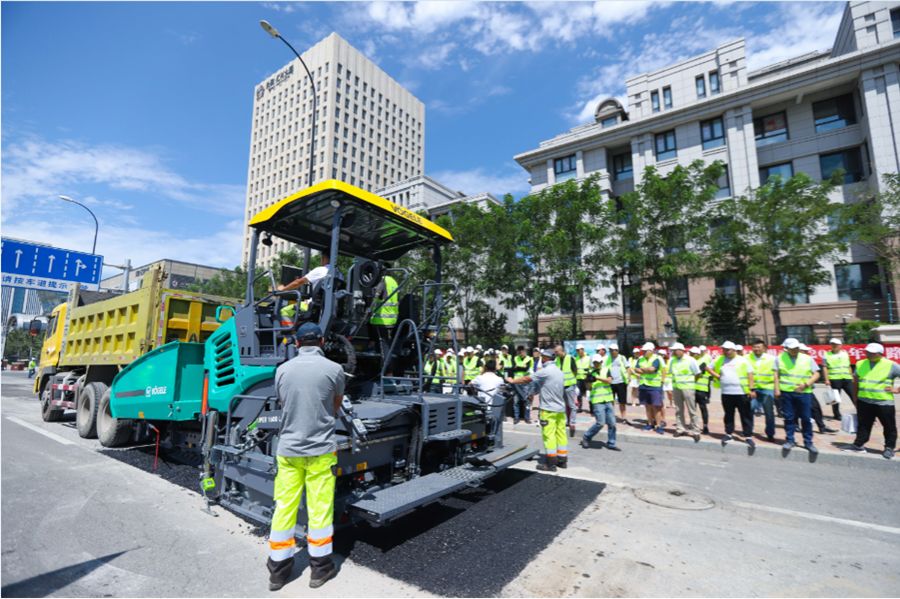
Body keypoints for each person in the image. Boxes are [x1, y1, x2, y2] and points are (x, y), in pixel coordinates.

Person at [267, 323, 345, 590]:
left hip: (289, 450)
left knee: (285, 507)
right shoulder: (335, 370)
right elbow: (335, 405)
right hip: (321, 450)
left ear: (297, 343)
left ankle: (278, 571)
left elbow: (283, 401)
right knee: (320, 510)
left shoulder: (282, 370)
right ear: (322, 341)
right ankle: (320, 569)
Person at [506, 348, 567, 471]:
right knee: (561, 434)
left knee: (549, 436)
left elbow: (526, 379)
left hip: (548, 410)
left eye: (541, 357)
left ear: (545, 358)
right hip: (560, 409)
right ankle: (562, 460)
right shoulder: (559, 372)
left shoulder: (545, 371)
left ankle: (551, 464)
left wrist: (512, 380)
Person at [846, 343, 898, 459]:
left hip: (884, 402)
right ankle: (859, 444)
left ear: (880, 354)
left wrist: (896, 389)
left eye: (872, 353)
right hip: (864, 401)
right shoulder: (860, 363)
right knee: (863, 425)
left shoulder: (891, 365)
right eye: (867, 352)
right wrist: (855, 398)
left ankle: (889, 447)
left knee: (889, 426)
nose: (869, 354)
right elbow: (855, 382)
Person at [775, 337, 821, 454]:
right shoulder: (779, 359)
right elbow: (776, 375)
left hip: (804, 393)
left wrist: (806, 384)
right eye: (792, 348)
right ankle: (790, 440)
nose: (795, 350)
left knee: (806, 418)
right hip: (787, 393)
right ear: (786, 349)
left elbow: (816, 374)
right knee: (789, 418)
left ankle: (808, 442)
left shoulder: (807, 358)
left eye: (796, 348)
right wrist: (776, 390)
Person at [708, 341, 756, 449]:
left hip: (742, 392)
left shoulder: (743, 360)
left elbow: (750, 375)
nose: (725, 352)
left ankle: (748, 436)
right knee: (728, 414)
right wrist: (717, 376)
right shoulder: (720, 359)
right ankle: (728, 434)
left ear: (734, 350)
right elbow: (708, 367)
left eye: (727, 350)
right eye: (724, 350)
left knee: (745, 415)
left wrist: (752, 389)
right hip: (726, 392)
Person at [581, 355, 620, 451]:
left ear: (601, 362)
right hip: (597, 401)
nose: (596, 364)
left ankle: (611, 443)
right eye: (594, 362)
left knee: (612, 423)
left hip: (607, 399)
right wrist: (588, 381)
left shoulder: (606, 370)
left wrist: (597, 378)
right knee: (600, 423)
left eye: (598, 362)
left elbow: (609, 381)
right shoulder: (590, 373)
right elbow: (588, 388)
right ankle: (586, 437)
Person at [668, 342, 702, 441]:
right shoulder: (672, 360)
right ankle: (680, 429)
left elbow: (697, 373)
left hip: (688, 387)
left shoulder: (690, 360)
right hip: (676, 387)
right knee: (678, 409)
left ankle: (696, 430)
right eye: (673, 350)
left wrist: (691, 382)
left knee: (692, 410)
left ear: (682, 350)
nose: (673, 352)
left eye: (675, 350)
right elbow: (671, 373)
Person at [747, 339, 777, 442]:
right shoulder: (746, 358)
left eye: (759, 347)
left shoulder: (772, 359)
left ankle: (770, 433)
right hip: (752, 388)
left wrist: (776, 388)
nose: (756, 349)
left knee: (769, 412)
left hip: (767, 388)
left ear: (764, 348)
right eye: (754, 347)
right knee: (749, 410)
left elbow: (776, 374)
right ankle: (748, 431)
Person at [635, 342, 666, 434]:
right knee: (647, 406)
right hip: (643, 385)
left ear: (651, 351)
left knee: (656, 407)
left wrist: (643, 369)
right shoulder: (640, 359)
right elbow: (636, 369)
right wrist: (647, 369)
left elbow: (653, 369)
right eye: (643, 350)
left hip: (654, 386)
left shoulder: (657, 358)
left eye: (645, 351)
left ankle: (658, 425)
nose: (643, 352)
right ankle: (650, 423)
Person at [555, 345, 580, 437]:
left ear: (561, 351)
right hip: (561, 386)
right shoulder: (557, 359)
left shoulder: (570, 358)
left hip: (569, 385)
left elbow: (575, 370)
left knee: (572, 405)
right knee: (563, 405)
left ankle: (572, 422)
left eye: (557, 352)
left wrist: (573, 382)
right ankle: (566, 421)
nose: (556, 354)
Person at [822, 338, 849, 420]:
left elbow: (848, 366)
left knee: (854, 396)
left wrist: (851, 376)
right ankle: (836, 414)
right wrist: (826, 379)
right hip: (835, 378)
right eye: (832, 344)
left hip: (847, 378)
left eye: (836, 344)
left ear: (840, 345)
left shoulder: (845, 353)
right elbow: (824, 367)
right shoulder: (826, 354)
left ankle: (862, 413)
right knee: (836, 398)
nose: (834, 346)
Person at [607, 344, 631, 424]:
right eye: (610, 350)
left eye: (612, 350)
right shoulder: (608, 358)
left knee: (622, 402)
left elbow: (628, 368)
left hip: (621, 382)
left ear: (616, 350)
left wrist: (629, 377)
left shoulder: (622, 358)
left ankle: (623, 418)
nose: (611, 352)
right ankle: (611, 417)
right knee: (611, 401)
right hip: (611, 383)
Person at [691, 346, 712, 434]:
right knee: (692, 409)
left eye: (692, 353)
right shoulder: (690, 362)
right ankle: (694, 425)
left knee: (703, 408)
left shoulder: (703, 362)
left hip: (701, 389)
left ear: (698, 354)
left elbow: (698, 374)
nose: (691, 355)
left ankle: (705, 426)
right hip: (692, 388)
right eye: (690, 353)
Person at [511, 345, 534, 424]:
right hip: (517, 382)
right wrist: (520, 367)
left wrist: (518, 367)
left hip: (525, 382)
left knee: (526, 401)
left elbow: (526, 369)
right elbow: (513, 368)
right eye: (519, 350)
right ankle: (516, 418)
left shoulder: (529, 359)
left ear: (525, 351)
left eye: (522, 350)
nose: (521, 352)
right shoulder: (515, 358)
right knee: (516, 401)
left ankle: (527, 418)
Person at [575, 344, 591, 413]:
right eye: (577, 350)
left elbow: (591, 368)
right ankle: (579, 407)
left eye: (579, 350)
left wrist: (588, 373)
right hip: (578, 378)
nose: (578, 351)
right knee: (579, 394)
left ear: (583, 350)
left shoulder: (588, 358)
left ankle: (592, 408)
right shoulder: (576, 358)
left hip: (586, 379)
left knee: (589, 394)